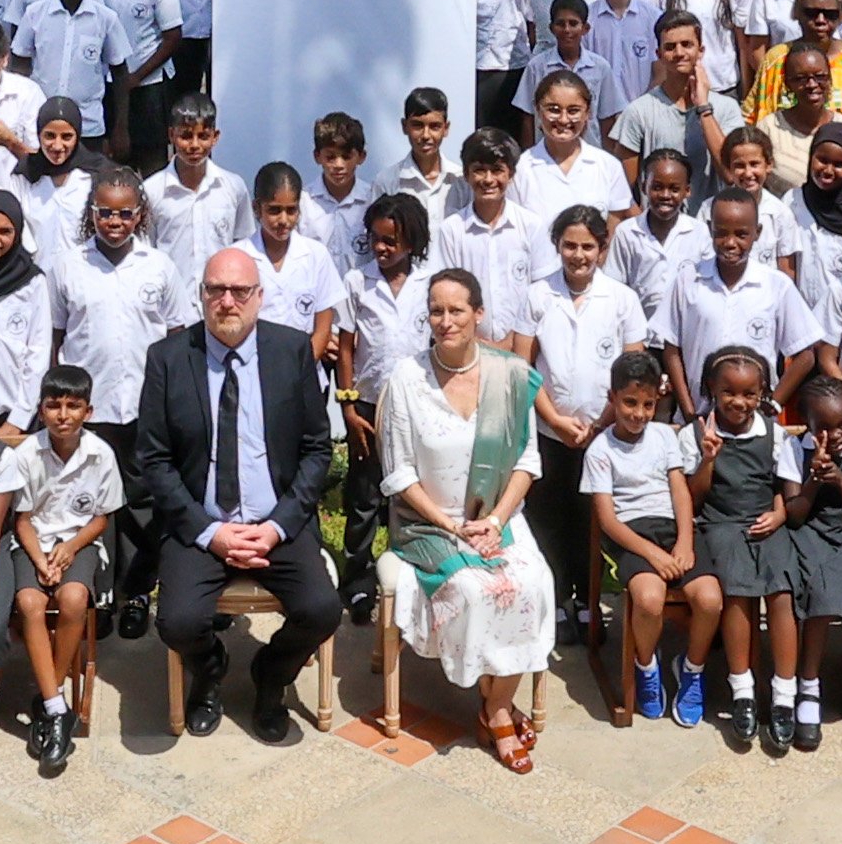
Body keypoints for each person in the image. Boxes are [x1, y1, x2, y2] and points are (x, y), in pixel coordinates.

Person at [129, 244, 335, 740]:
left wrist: (277, 526)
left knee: (322, 609)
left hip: (275, 523)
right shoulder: (169, 358)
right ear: (200, 296)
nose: (227, 301)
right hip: (201, 524)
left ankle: (271, 676)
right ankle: (211, 668)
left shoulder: (290, 351)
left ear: (259, 297)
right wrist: (209, 533)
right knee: (176, 622)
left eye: (239, 290)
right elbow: (153, 460)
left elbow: (316, 449)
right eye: (216, 290)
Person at [374, 268, 559, 768]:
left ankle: (495, 704)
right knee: (478, 590)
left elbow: (527, 463)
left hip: (497, 517)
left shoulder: (509, 375)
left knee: (534, 583)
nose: (446, 321)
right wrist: (452, 525)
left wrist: (496, 520)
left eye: (457, 310)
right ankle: (497, 707)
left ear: (478, 314)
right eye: (436, 310)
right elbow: (398, 473)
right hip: (429, 522)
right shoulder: (407, 379)